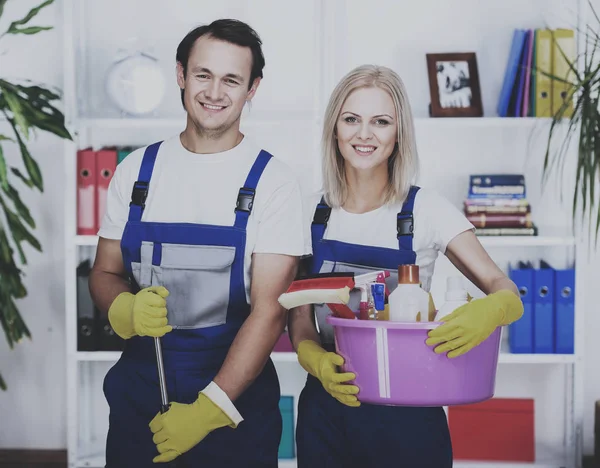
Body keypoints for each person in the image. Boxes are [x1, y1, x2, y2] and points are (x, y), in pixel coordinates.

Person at [89, 19, 307, 467]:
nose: (214, 92)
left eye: (232, 79)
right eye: (203, 74)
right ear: (181, 75)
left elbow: (270, 312)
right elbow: (105, 272)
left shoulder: (274, 183)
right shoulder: (135, 172)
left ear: (252, 89)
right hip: (139, 396)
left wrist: (209, 409)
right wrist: (123, 308)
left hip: (232, 406)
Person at [287, 64, 524, 467]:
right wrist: (316, 360)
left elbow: (506, 290)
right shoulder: (308, 212)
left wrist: (493, 309)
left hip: (410, 412)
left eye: (380, 121)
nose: (364, 134)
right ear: (334, 128)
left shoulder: (426, 210)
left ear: (398, 134)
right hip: (326, 407)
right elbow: (299, 318)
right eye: (351, 119)